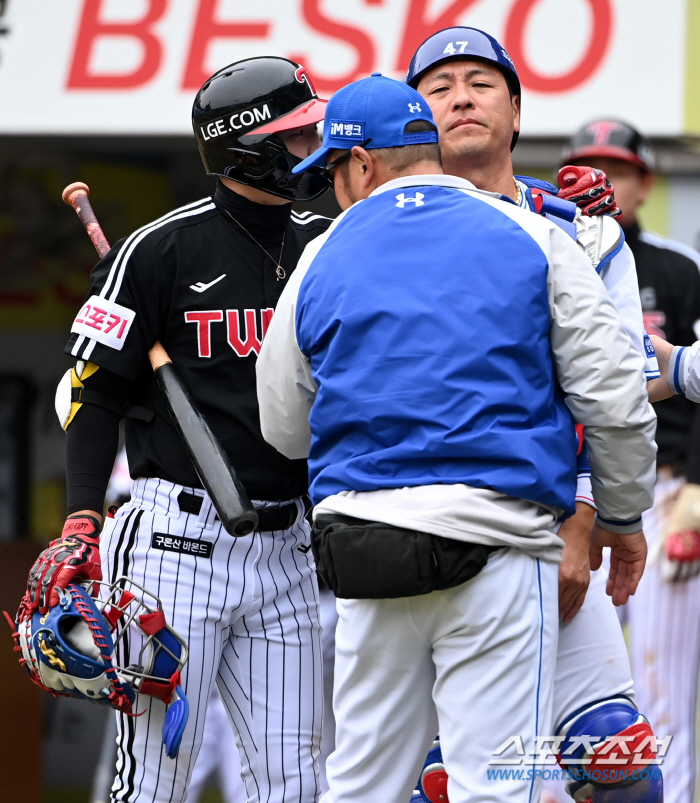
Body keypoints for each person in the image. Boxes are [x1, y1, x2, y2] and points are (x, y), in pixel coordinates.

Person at [256, 73, 657, 803]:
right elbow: (618, 400)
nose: (335, 190)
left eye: (334, 171)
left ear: (364, 165)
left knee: (363, 785)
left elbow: (281, 427)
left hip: (365, 549)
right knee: (491, 786)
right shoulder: (535, 233)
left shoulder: (321, 256)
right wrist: (621, 516)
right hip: (499, 548)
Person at [27, 56, 332, 803]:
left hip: (290, 544)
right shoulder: (157, 250)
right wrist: (80, 518)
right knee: (159, 776)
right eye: (296, 134)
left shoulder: (326, 240)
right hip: (176, 542)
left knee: (297, 781)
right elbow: (94, 394)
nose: (314, 147)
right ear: (244, 143)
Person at [403, 29, 665, 803]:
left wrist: (590, 515)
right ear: (416, 118)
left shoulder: (583, 229)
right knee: (453, 783)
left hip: (553, 521)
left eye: (480, 82)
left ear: (515, 111)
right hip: (422, 537)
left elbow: (615, 383)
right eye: (440, 84)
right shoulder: (381, 231)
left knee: (620, 770)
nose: (460, 96)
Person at [564, 119, 700, 803]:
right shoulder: (546, 249)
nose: (603, 181)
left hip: (667, 491)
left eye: (617, 169)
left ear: (644, 184)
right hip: (568, 498)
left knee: (661, 686)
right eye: (587, 166)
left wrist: (699, 489)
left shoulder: (678, 268)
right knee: (570, 701)